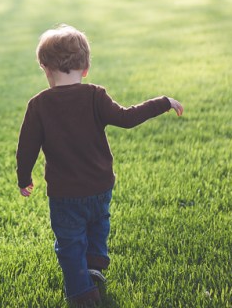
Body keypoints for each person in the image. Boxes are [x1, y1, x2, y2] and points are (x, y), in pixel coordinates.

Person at [16, 24, 184, 307]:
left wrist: (24, 178)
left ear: (44, 68)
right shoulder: (95, 95)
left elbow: (27, 147)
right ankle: (94, 265)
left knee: (69, 242)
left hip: (65, 194)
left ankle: (82, 294)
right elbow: (128, 118)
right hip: (100, 185)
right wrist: (163, 102)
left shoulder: (39, 104)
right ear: (85, 69)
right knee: (97, 224)